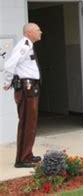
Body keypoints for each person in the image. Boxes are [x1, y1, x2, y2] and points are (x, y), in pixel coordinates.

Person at [3, 23, 43, 168]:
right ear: (29, 32)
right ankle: (22, 159)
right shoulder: (23, 46)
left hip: (31, 88)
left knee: (31, 123)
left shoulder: (28, 45)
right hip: (26, 89)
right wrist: (7, 82)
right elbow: (9, 65)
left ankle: (28, 154)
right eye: (38, 30)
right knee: (26, 123)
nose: (41, 32)